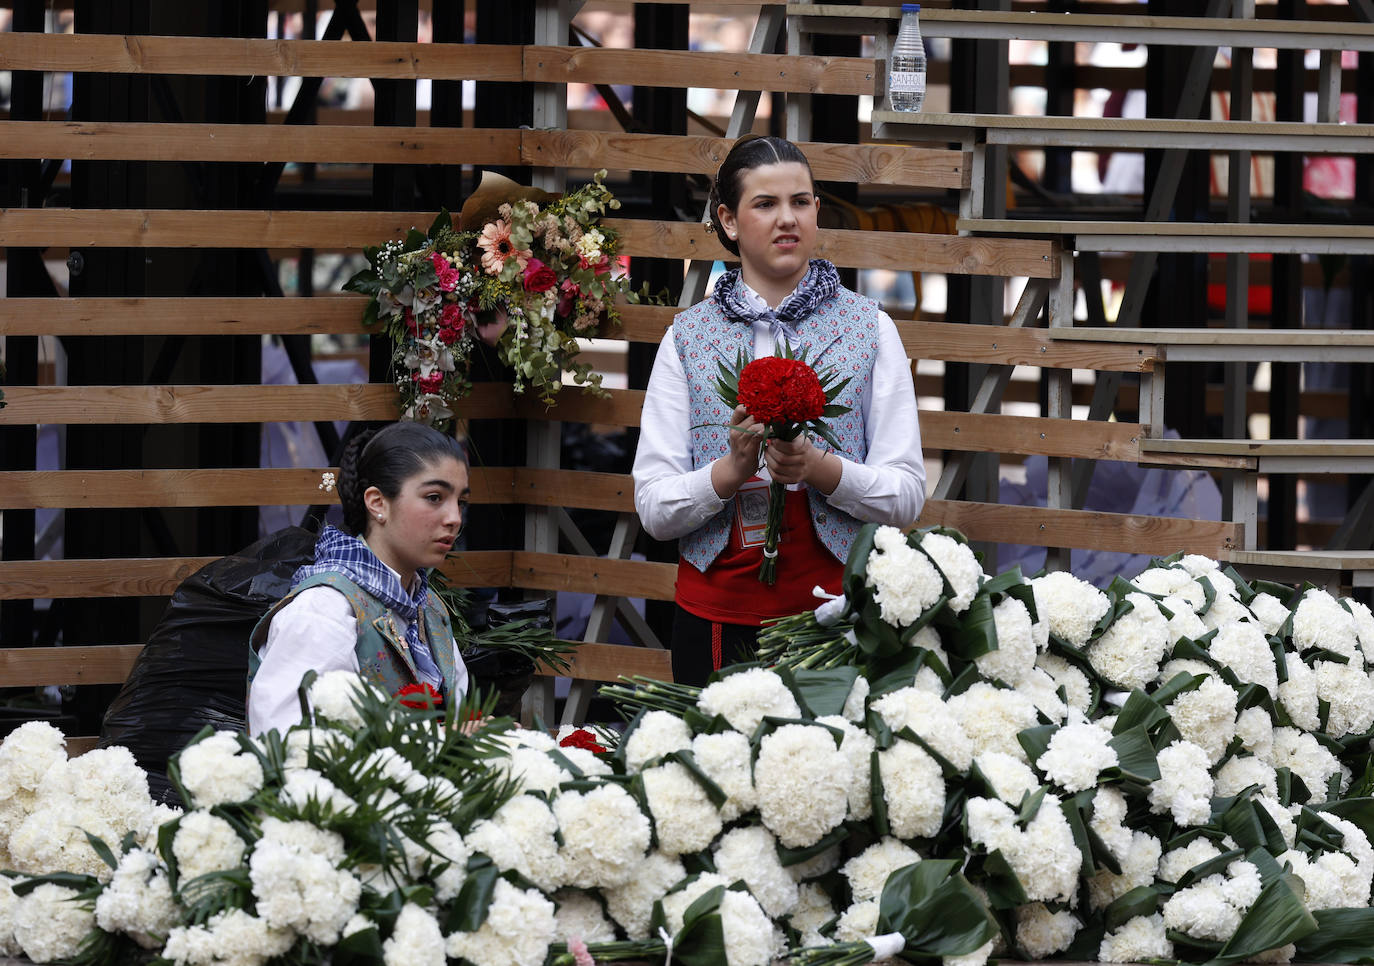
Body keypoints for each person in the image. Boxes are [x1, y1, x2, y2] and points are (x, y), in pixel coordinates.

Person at [632, 134, 927, 687]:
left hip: (837, 613)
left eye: (801, 201)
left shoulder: (869, 328)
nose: (787, 218)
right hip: (715, 618)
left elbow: (907, 494)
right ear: (729, 220)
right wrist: (727, 473)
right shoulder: (688, 337)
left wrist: (821, 470)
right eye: (765, 204)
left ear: (817, 211)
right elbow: (652, 507)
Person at [247, 422, 471, 735]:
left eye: (460, 501)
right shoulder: (323, 609)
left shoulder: (429, 609)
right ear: (377, 503)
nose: (454, 518)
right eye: (434, 497)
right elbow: (292, 747)